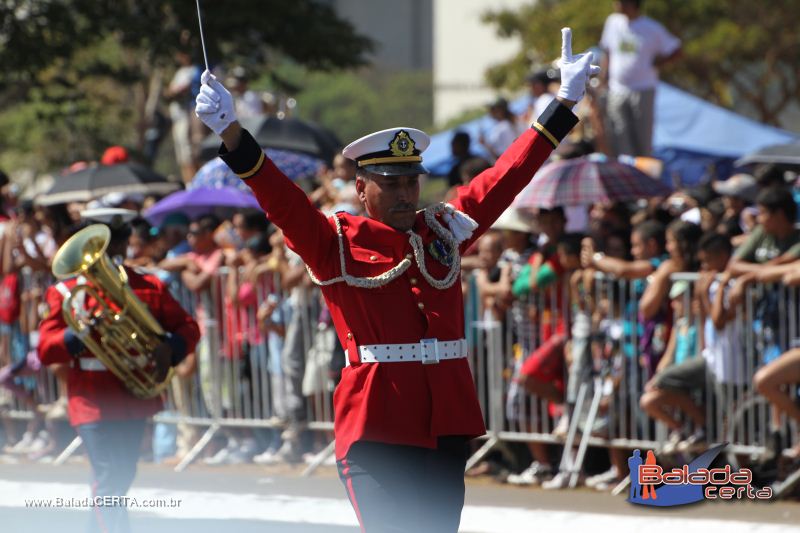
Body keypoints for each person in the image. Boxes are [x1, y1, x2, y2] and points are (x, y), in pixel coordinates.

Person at [196, 27, 596, 532]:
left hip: (445, 418)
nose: (406, 193)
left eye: (411, 181)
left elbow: (504, 178)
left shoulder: (444, 230)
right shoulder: (334, 242)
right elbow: (282, 200)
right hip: (377, 427)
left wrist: (563, 104)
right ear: (362, 188)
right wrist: (233, 134)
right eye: (391, 184)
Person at [38, 208, 200, 533]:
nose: (115, 250)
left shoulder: (147, 285)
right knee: (108, 476)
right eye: (108, 244)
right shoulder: (67, 292)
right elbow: (45, 348)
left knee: (120, 477)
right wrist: (77, 334)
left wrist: (170, 347)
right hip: (91, 399)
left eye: (120, 242)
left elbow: (188, 327)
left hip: (133, 397)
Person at [600, 0, 681, 156]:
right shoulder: (613, 22)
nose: (616, 4)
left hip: (643, 89)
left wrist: (658, 63)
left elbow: (676, 49)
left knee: (642, 139)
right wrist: (603, 79)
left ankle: (642, 169)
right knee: (619, 135)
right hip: (617, 89)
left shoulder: (652, 28)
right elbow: (607, 51)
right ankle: (625, 168)